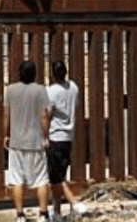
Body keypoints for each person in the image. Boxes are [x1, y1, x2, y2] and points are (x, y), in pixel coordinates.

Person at [3, 61, 52, 222]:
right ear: (35, 73)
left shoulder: (10, 90)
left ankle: (20, 215)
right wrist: (46, 135)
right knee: (41, 180)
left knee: (16, 180)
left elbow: (6, 114)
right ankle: (43, 214)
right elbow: (44, 115)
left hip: (17, 141)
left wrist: (6, 134)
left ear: (19, 73)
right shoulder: (40, 90)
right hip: (35, 141)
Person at [47, 60, 83, 219]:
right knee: (59, 174)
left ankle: (75, 204)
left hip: (55, 135)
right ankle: (56, 212)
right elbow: (75, 106)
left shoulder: (51, 91)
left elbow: (47, 114)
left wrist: (44, 135)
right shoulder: (74, 87)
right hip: (68, 136)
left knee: (56, 177)